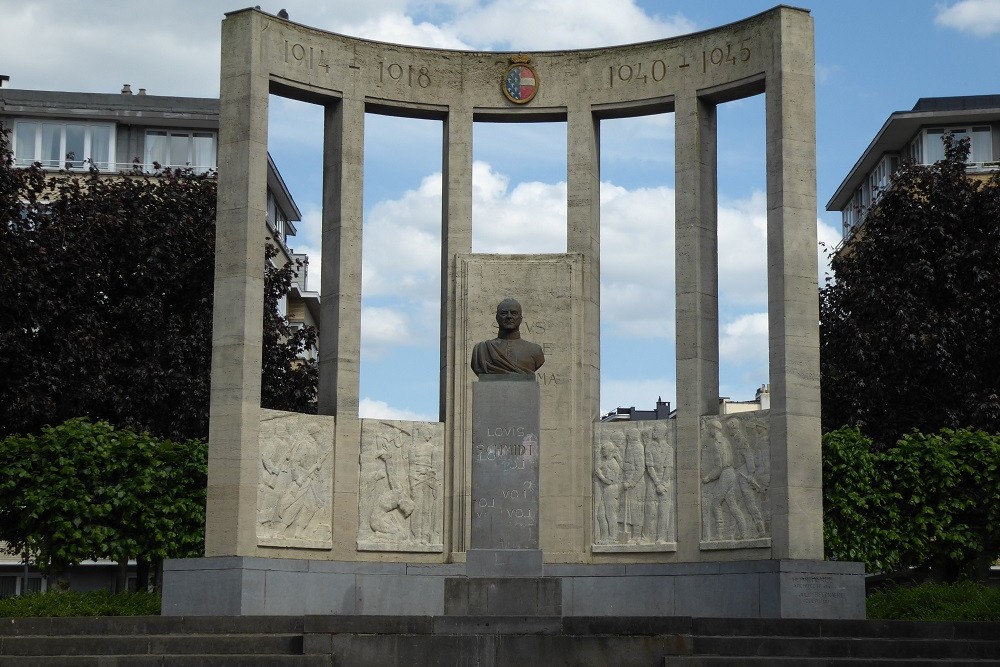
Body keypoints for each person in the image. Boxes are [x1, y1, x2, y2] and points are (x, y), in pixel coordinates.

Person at [471, 298, 545, 376]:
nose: (509, 316)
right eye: (504, 313)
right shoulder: (481, 350)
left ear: (520, 319)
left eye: (514, 313)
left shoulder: (535, 350)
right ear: (497, 318)